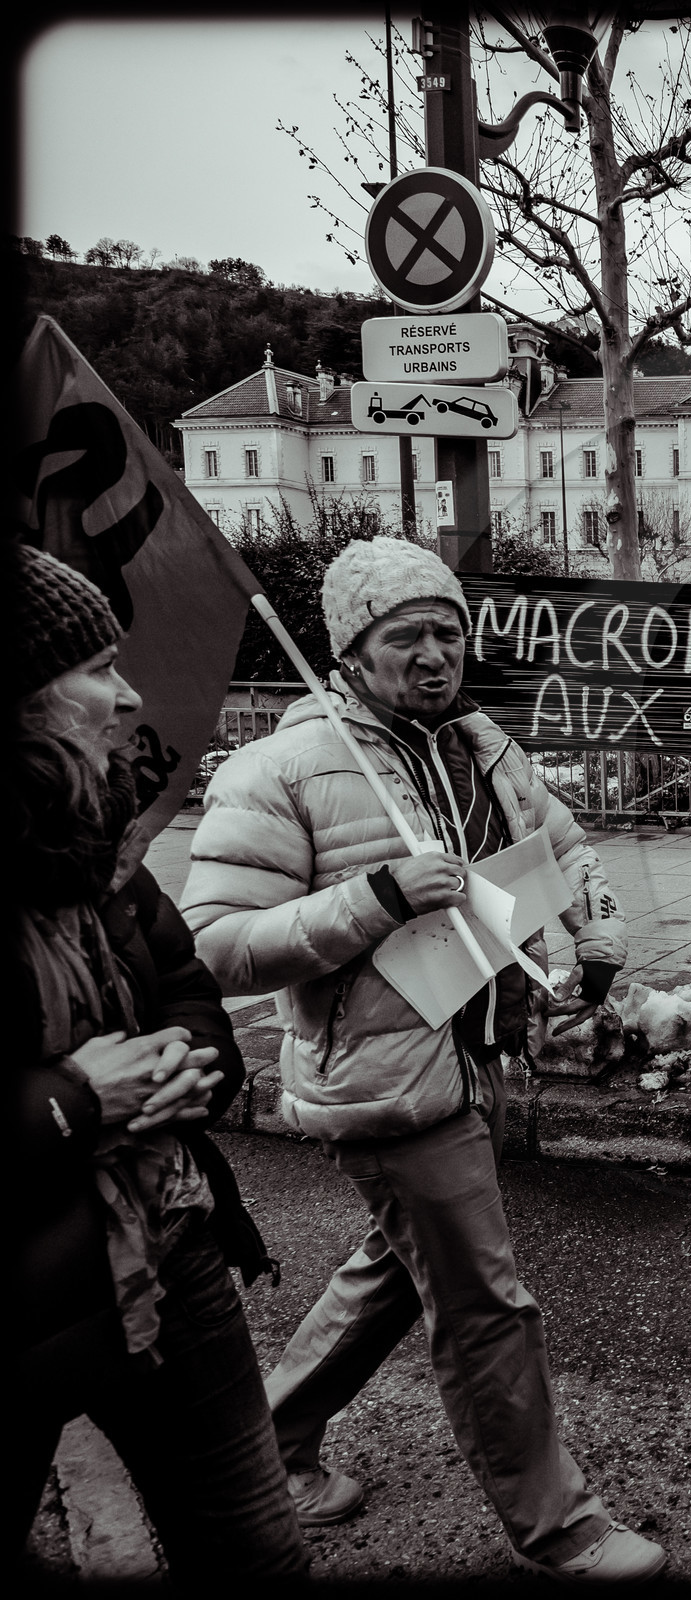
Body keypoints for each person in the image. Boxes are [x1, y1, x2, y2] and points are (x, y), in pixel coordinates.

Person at [180, 536, 664, 1581]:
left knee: (398, 1274)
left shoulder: (484, 745)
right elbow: (211, 944)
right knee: (486, 1301)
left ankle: (267, 1448)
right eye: (408, 635)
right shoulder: (288, 768)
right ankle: (561, 1528)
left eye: (449, 629)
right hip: (385, 1083)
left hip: (483, 1051)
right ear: (354, 650)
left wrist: (602, 931)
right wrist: (378, 896)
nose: (438, 652)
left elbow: (577, 853)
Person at [11, 544, 307, 1578]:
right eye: (96, 666)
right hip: (27, 1282)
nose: (128, 693)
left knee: (256, 1545)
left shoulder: (97, 843)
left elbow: (184, 979)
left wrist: (191, 1064)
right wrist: (76, 1102)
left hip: (168, 1237)